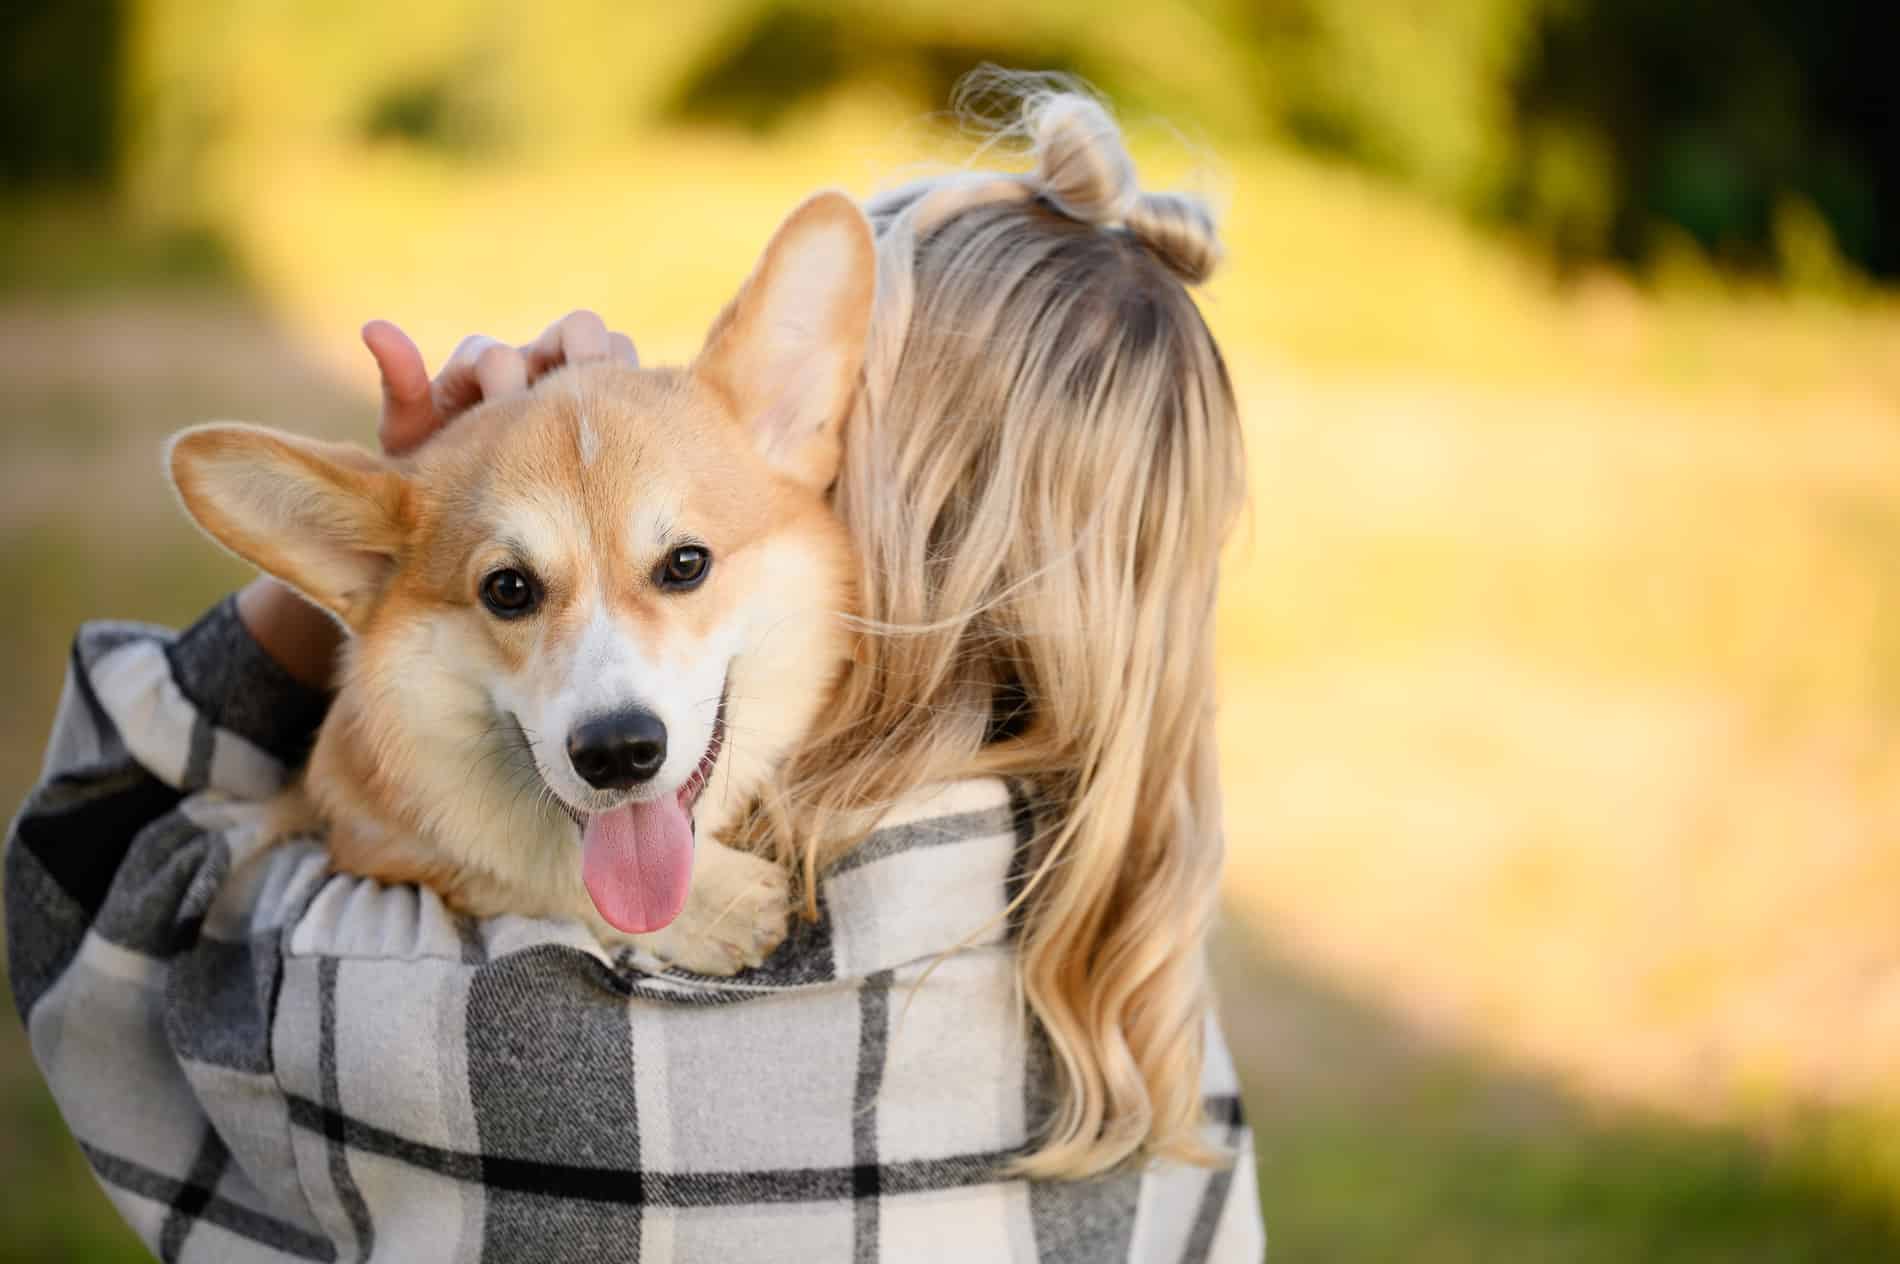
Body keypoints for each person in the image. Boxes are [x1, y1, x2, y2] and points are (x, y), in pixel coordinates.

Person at [7, 79, 1263, 1261]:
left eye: (681, 562)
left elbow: (82, 898)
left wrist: (377, 558)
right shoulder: (1147, 1002)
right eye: (517, 591)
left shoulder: (417, 1015)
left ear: (837, 477)